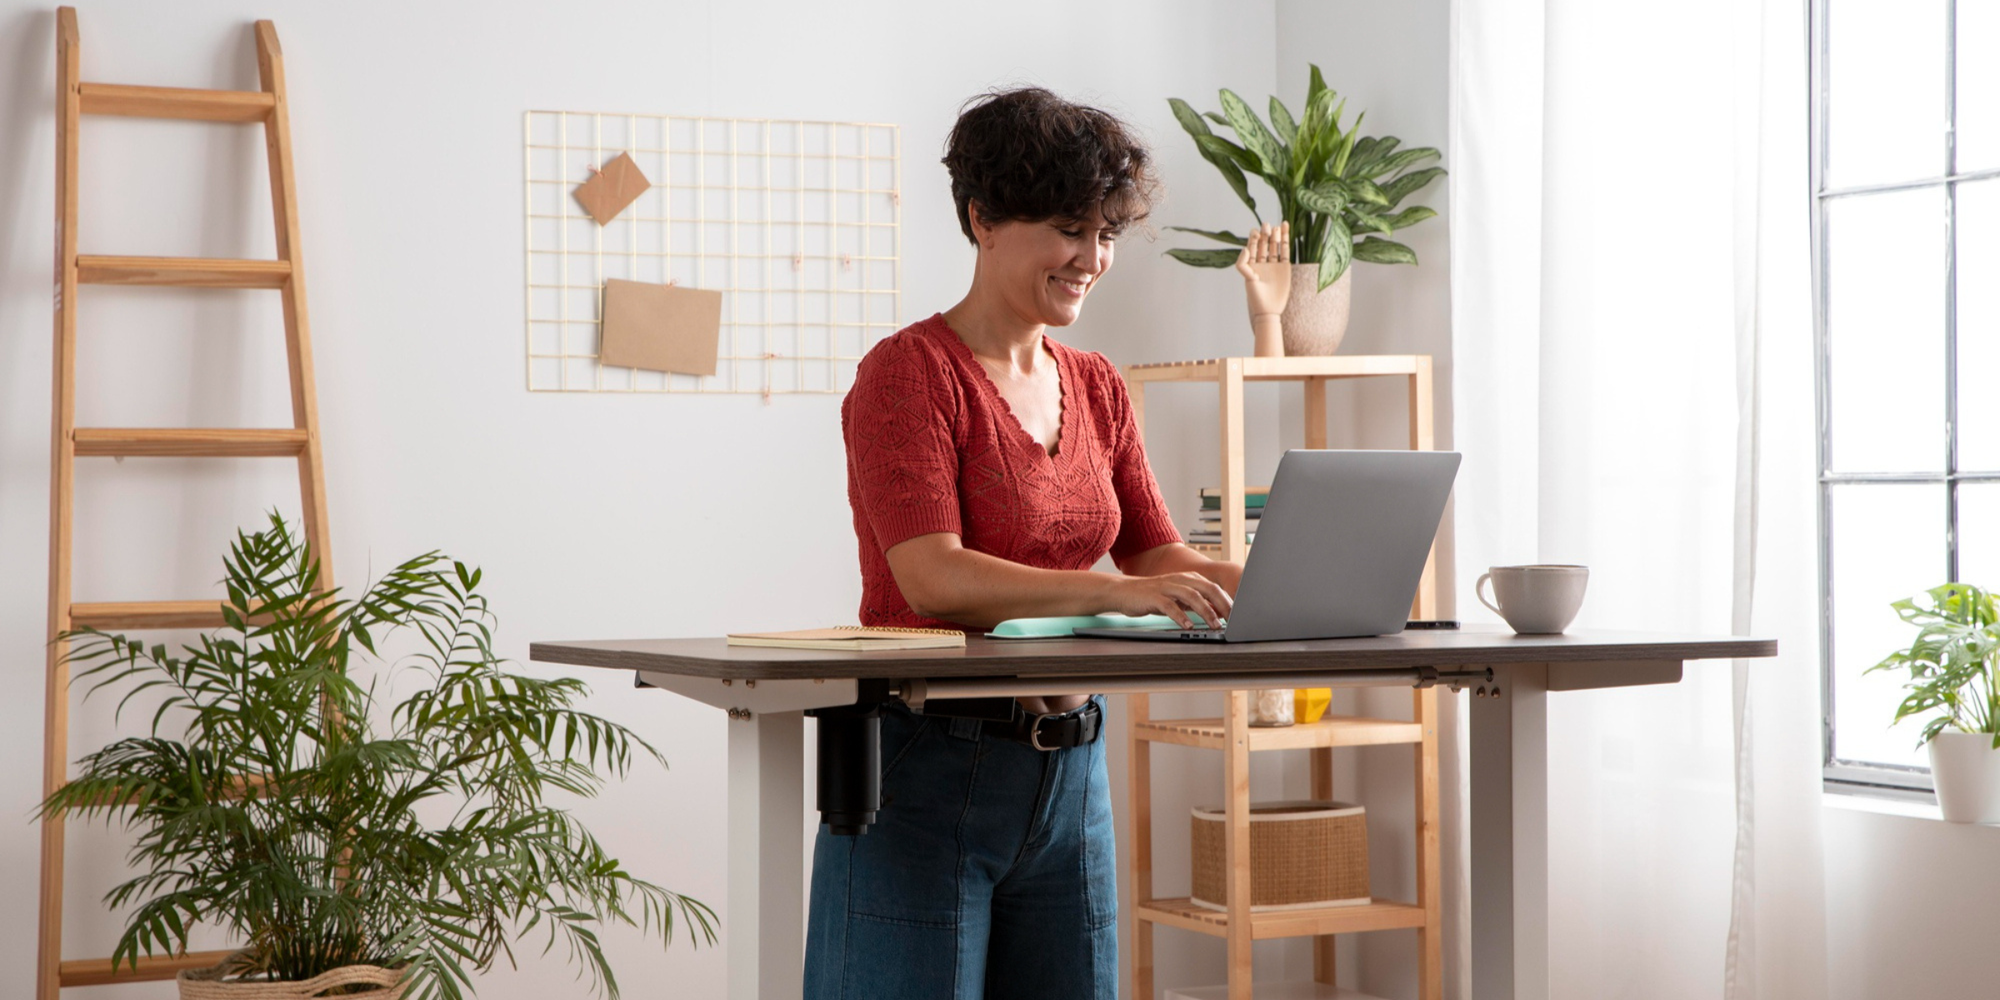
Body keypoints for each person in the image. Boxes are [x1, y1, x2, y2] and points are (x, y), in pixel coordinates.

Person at [806, 88, 1243, 999]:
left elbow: (1156, 558)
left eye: (1106, 234)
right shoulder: (908, 375)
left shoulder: (1097, 384)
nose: (1093, 258)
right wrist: (1113, 594)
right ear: (983, 219)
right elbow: (932, 577)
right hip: (925, 768)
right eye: (1069, 230)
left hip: (1073, 777)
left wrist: (1283, 580)